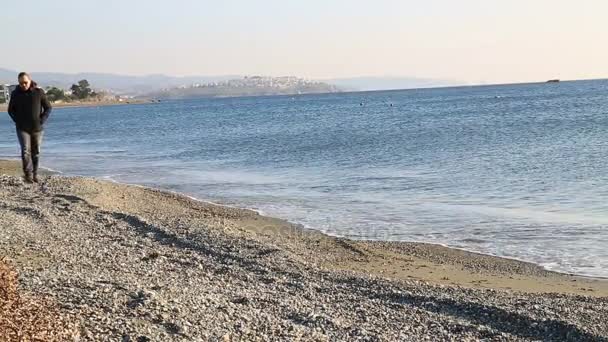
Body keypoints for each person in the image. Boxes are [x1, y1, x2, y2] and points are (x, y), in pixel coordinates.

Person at [7, 72, 52, 183]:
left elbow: (48, 108)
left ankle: (35, 174)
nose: (23, 85)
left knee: (36, 152)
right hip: (22, 128)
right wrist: (17, 120)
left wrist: (42, 120)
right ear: (18, 83)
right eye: (21, 83)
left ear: (30, 81)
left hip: (37, 128)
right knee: (26, 150)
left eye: (25, 82)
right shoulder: (15, 94)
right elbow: (10, 110)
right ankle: (28, 175)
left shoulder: (39, 92)